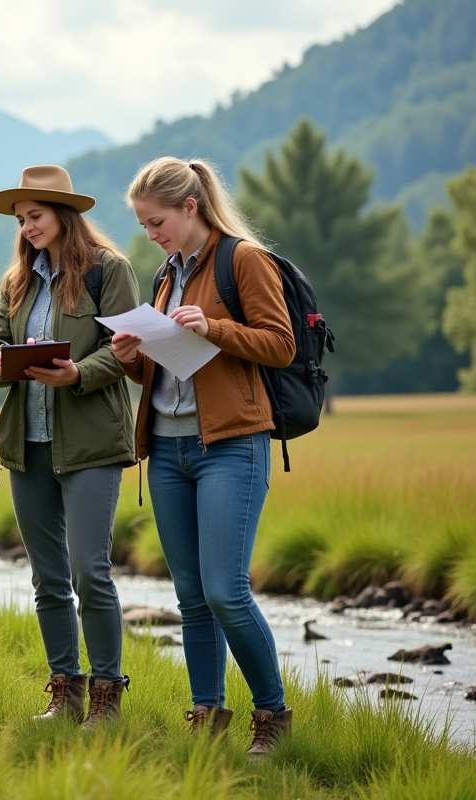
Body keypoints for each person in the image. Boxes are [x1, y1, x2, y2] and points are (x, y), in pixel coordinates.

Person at [112, 156, 295, 755]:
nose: (150, 234)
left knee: (225, 591)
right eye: (143, 225)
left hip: (231, 447)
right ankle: (207, 717)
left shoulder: (242, 259)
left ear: (190, 207)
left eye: (156, 221)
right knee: (191, 595)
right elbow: (168, 369)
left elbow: (280, 345)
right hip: (167, 450)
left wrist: (213, 327)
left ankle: (270, 716)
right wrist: (132, 354)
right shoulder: (167, 273)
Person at [0, 165, 139, 729]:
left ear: (63, 215)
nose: (27, 228)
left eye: (36, 216)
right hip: (29, 445)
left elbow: (127, 351)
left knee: (89, 572)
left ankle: (106, 695)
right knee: (46, 577)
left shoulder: (109, 271)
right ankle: (64, 690)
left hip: (91, 445)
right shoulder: (15, 282)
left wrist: (78, 374)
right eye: (22, 220)